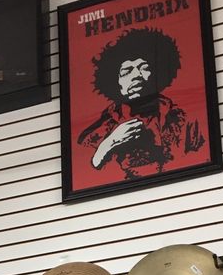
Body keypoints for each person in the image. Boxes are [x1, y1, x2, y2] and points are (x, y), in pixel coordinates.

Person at [77, 27, 205, 179]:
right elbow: (84, 175)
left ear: (156, 74)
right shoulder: (101, 128)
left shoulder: (183, 119)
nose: (136, 75)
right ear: (116, 83)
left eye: (143, 68)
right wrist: (109, 143)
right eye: (127, 71)